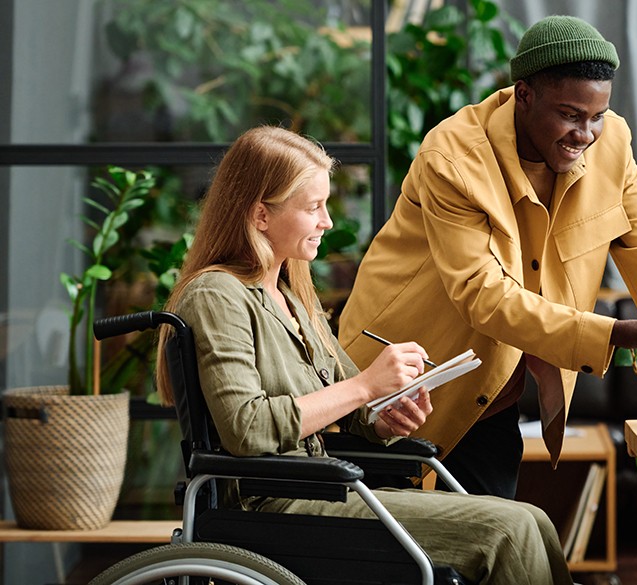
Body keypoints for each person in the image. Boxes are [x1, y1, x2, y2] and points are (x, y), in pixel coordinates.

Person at [339, 15, 637, 499]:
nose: (584, 134)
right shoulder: (453, 158)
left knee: (494, 552)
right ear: (524, 95)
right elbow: (483, 296)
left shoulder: (613, 146)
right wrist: (619, 333)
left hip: (487, 397)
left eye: (596, 116)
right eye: (569, 114)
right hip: (390, 389)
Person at [155, 126, 574, 585]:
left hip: (323, 489)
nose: (327, 221)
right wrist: (365, 387)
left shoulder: (294, 298)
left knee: (533, 520)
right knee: (510, 532)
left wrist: (383, 416)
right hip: (275, 504)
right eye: (314, 207)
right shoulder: (217, 295)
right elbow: (247, 429)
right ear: (260, 215)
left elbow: (356, 408)